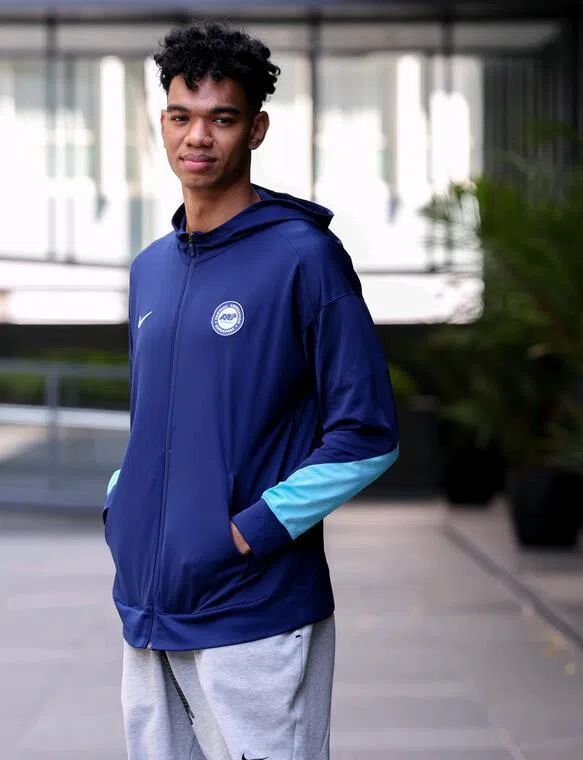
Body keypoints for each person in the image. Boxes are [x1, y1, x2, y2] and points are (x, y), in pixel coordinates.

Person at [102, 19, 400, 760]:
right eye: (181, 117)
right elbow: (154, 421)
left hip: (255, 607)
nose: (197, 137)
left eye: (222, 119)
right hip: (148, 604)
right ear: (162, 124)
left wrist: (250, 530)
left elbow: (367, 434)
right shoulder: (150, 268)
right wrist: (125, 504)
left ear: (256, 129)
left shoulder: (306, 258)